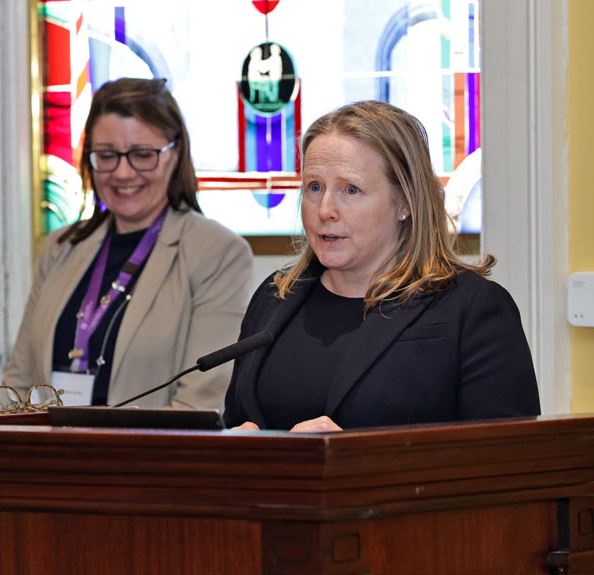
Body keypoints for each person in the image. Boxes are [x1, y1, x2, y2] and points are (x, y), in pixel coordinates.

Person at [224, 100, 540, 432]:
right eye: (314, 187)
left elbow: (506, 464)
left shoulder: (472, 309)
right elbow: (238, 421)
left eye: (351, 189)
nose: (325, 210)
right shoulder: (274, 296)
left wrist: (349, 462)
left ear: (404, 201)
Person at [4, 78, 253, 410]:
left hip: (147, 460)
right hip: (48, 459)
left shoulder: (217, 253)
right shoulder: (61, 248)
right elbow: (18, 385)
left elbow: (201, 404)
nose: (122, 173)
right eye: (106, 156)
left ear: (174, 154)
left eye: (141, 155)